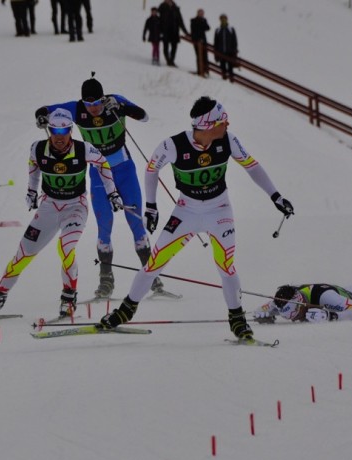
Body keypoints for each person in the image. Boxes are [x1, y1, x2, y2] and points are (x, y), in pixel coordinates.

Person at [95, 97, 295, 342]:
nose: (228, 124)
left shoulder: (228, 141)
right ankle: (124, 312)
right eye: (223, 121)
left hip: (219, 211)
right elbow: (151, 169)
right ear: (209, 125)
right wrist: (151, 207)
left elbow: (252, 166)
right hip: (185, 212)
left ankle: (237, 320)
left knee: (226, 266)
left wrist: (276, 196)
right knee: (154, 264)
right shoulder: (173, 145)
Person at [0, 108, 124, 320]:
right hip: (49, 207)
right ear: (49, 130)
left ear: (71, 130)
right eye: (54, 131)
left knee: (65, 247)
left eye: (64, 132)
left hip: (75, 208)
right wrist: (31, 192)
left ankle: (68, 298)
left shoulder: (84, 149)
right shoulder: (37, 148)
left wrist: (112, 193)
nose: (59, 137)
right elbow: (33, 167)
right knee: (22, 254)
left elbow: (104, 165)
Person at [34, 76, 162, 298]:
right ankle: (106, 282)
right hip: (98, 174)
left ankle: (152, 279)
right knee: (104, 227)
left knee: (136, 223)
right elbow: (44, 109)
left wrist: (123, 107)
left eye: (97, 104)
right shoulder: (76, 108)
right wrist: (41, 116)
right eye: (88, 104)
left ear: (103, 99)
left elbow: (144, 116)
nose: (93, 109)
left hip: (124, 170)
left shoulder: (114, 102)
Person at [158, 0, 189, 67]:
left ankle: (171, 60)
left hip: (174, 31)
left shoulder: (176, 9)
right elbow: (158, 20)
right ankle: (168, 60)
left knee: (174, 47)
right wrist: (159, 31)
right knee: (165, 47)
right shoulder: (161, 7)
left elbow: (180, 21)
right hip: (165, 31)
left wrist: (186, 32)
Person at [213, 13, 238, 80]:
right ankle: (224, 79)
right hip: (221, 52)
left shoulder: (231, 29)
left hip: (230, 52)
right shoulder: (218, 30)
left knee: (230, 67)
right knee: (222, 67)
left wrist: (234, 51)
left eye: (224, 19)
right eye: (222, 19)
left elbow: (234, 41)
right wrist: (216, 54)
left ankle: (231, 79)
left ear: (227, 19)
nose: (223, 20)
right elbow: (215, 42)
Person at [190, 9, 210, 77]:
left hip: (203, 41)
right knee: (199, 56)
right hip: (196, 41)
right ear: (197, 13)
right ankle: (200, 70)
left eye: (202, 13)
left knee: (205, 56)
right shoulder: (193, 20)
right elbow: (193, 31)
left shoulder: (204, 20)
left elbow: (208, 28)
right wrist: (195, 40)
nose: (201, 14)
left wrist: (203, 23)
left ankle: (205, 70)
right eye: (200, 13)